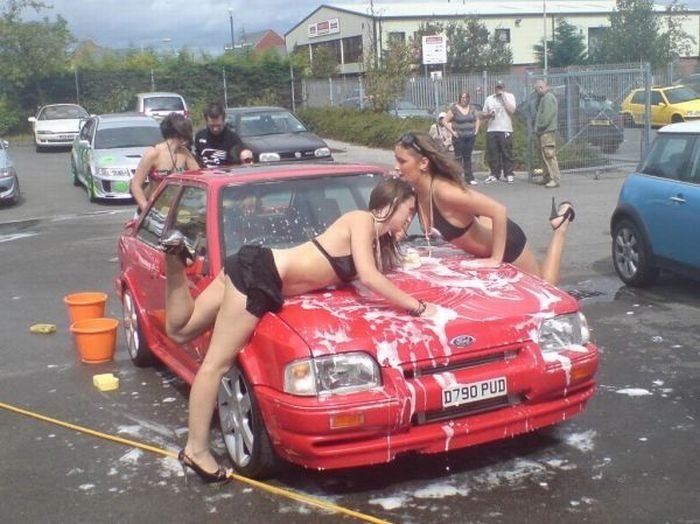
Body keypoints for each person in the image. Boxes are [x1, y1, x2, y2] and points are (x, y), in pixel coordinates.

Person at [161, 177, 437, 483]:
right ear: (391, 204)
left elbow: (368, 273)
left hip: (253, 264)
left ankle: (175, 261)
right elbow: (370, 278)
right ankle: (195, 451)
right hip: (261, 275)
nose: (409, 219)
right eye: (408, 211)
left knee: (181, 331)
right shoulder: (362, 221)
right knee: (216, 365)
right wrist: (418, 307)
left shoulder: (372, 238)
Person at [394, 132, 575, 286]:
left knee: (545, 286)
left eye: (402, 161)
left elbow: (499, 210)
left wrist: (495, 259)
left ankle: (561, 224)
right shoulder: (417, 191)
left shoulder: (445, 192)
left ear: (423, 163)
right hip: (482, 241)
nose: (396, 167)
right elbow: (399, 229)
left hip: (506, 244)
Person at [131, 113, 200, 213]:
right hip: (155, 208)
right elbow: (135, 185)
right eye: (186, 135)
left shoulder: (184, 153)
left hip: (176, 209)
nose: (187, 139)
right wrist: (146, 210)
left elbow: (199, 176)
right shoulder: (154, 153)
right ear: (178, 133)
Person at [193, 101, 249, 167]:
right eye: (212, 126)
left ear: (223, 120)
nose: (215, 129)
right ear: (206, 121)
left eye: (218, 125)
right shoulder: (200, 136)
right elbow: (197, 159)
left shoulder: (232, 138)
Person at [481, 80, 517, 184]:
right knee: (493, 153)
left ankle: (509, 174)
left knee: (506, 152)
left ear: (504, 88)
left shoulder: (510, 96)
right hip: (492, 129)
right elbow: (483, 114)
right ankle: (494, 174)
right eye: (497, 88)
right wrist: (489, 114)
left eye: (501, 88)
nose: (499, 90)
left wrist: (503, 98)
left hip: (505, 128)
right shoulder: (489, 98)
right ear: (495, 88)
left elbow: (512, 111)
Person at [444, 91, 480, 185]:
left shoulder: (472, 108)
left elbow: (477, 119)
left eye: (466, 97)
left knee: (468, 157)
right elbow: (444, 121)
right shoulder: (454, 109)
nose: (464, 99)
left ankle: (469, 178)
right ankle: (457, 178)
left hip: (470, 136)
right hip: (459, 137)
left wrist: (476, 131)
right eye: (463, 97)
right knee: (458, 157)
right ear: (460, 98)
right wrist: (452, 132)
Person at [533, 79, 561, 188]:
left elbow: (547, 116)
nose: (536, 93)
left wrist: (539, 126)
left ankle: (555, 178)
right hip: (542, 131)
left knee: (549, 154)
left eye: (537, 90)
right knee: (542, 155)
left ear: (541, 87)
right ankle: (546, 176)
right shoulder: (543, 98)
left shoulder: (548, 98)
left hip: (547, 131)